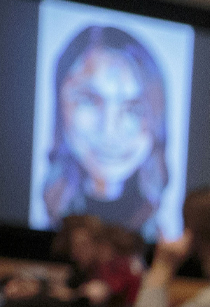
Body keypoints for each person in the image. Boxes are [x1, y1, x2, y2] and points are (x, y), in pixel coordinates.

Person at [36, 26, 177, 239]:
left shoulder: (163, 237)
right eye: (89, 100)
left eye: (133, 109)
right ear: (59, 106)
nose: (109, 130)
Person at [0, 215, 144, 307]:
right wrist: (35, 287)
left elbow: (96, 292)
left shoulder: (115, 266)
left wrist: (40, 291)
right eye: (73, 247)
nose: (75, 253)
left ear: (99, 244)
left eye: (82, 245)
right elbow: (66, 288)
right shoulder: (85, 270)